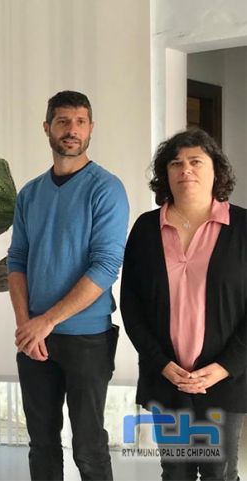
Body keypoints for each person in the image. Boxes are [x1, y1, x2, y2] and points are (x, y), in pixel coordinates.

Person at [7, 90, 129, 480]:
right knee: (41, 444)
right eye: (63, 121)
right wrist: (28, 324)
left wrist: (47, 321)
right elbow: (17, 262)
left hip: (86, 339)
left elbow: (107, 266)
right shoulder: (29, 194)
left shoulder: (106, 189)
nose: (71, 130)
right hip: (35, 341)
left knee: (88, 446)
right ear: (47, 128)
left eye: (79, 121)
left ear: (91, 128)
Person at [121, 128, 245, 481]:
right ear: (166, 175)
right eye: (175, 163)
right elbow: (131, 305)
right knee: (174, 472)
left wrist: (224, 366)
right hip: (167, 377)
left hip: (223, 379)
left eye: (195, 161)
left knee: (218, 473)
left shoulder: (244, 228)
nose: (185, 170)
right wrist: (161, 364)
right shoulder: (146, 229)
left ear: (216, 171)